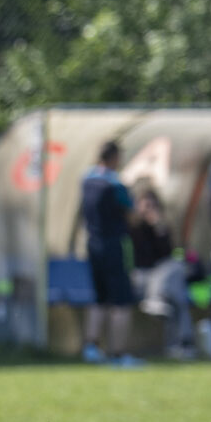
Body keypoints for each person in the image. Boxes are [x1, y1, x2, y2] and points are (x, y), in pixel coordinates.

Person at [80, 141, 139, 366]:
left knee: (99, 298)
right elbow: (132, 214)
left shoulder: (86, 179)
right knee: (121, 301)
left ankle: (91, 348)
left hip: (93, 244)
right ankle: (119, 354)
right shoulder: (115, 184)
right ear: (114, 157)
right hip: (114, 245)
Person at [129, 186, 196, 359]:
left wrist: (158, 227)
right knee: (176, 292)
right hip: (142, 277)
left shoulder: (161, 228)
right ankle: (185, 342)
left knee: (174, 280)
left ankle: (156, 300)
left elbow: (167, 253)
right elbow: (143, 258)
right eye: (146, 205)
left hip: (162, 279)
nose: (149, 209)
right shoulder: (134, 228)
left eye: (153, 205)